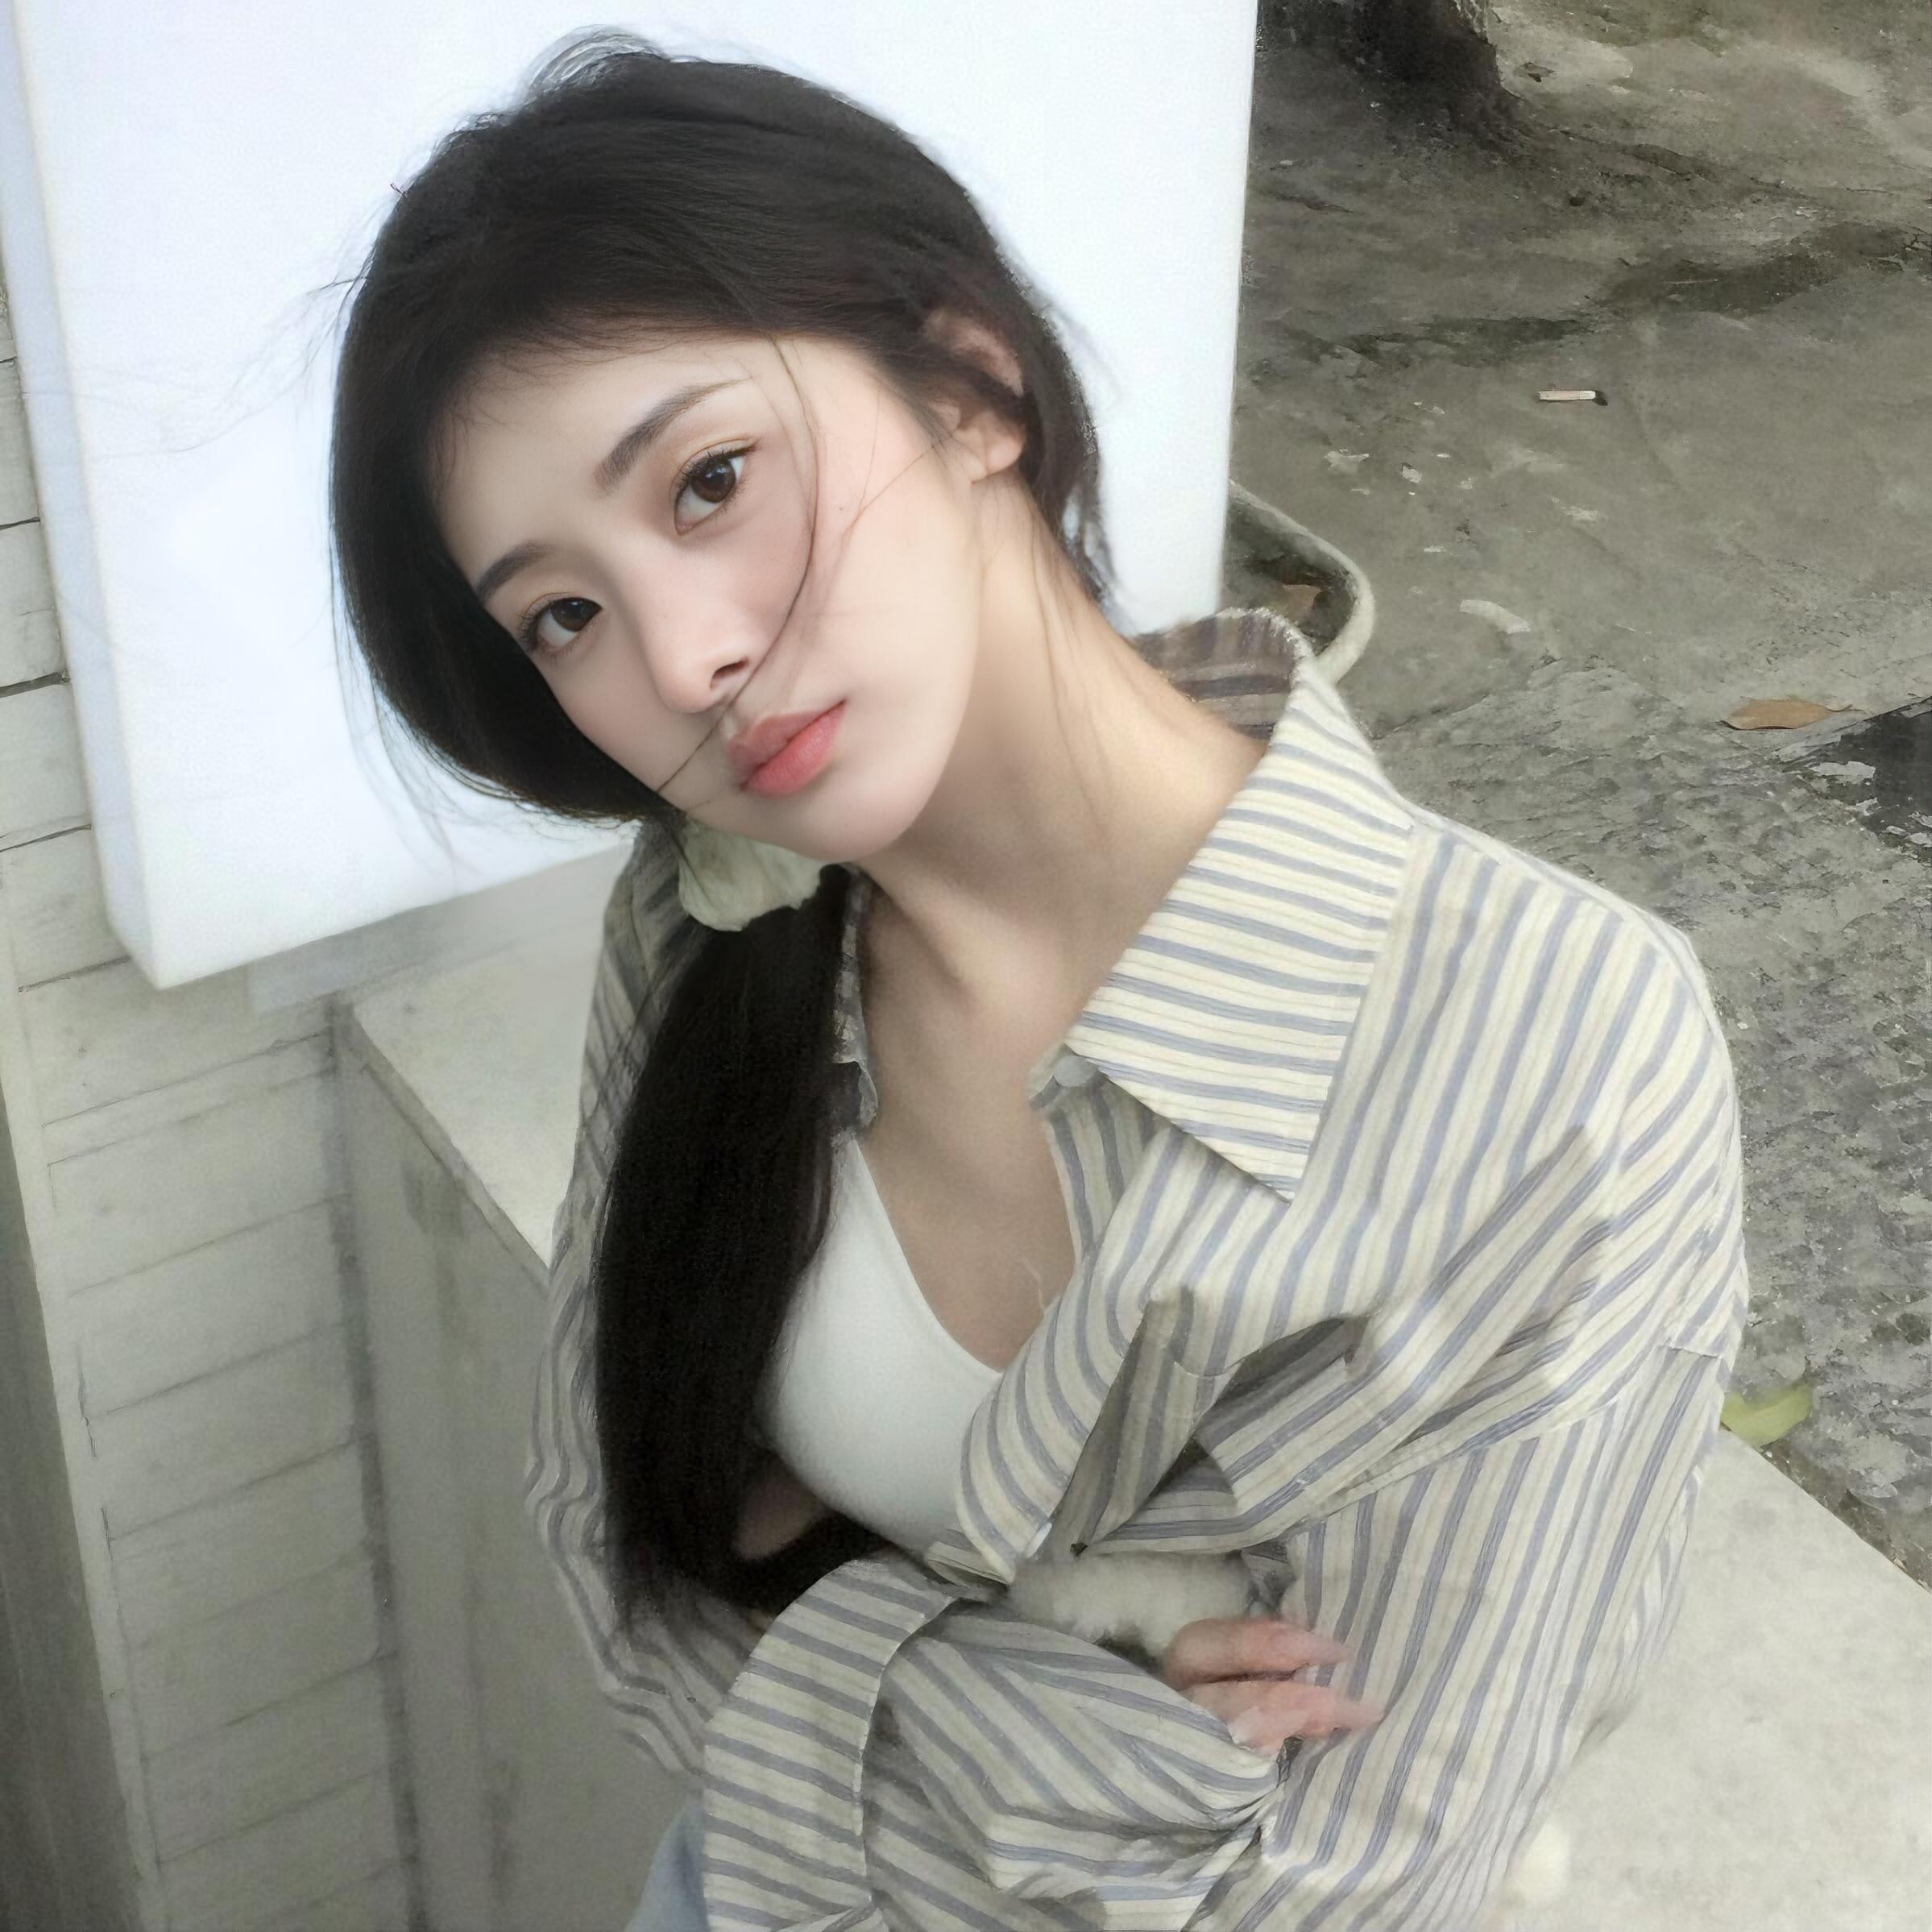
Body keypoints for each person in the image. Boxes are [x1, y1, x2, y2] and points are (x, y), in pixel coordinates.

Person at [327, 31, 1749, 1931]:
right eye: (560, 612)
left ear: (969, 382)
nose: (676, 659)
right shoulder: (713, 921)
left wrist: (832, 1648)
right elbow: (623, 1557)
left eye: (709, 480)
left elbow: (1349, 1885)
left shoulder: (1552, 1059)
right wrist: (1037, 1727)